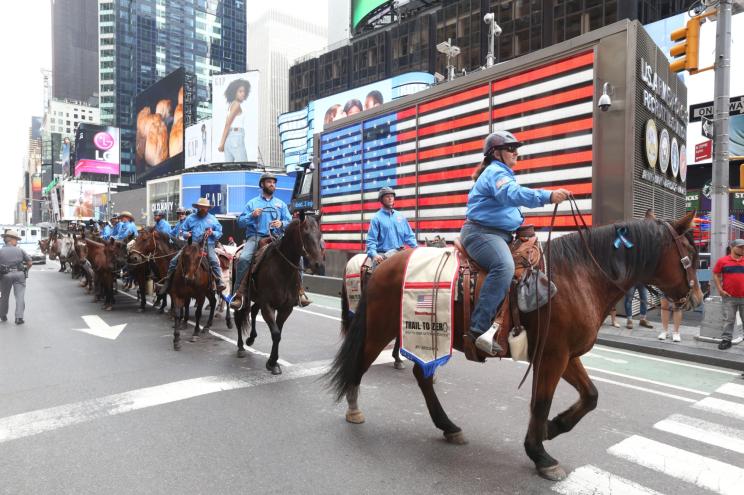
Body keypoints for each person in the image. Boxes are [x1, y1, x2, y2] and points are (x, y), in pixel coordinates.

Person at [461, 130, 571, 355]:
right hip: (482, 234)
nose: (516, 153)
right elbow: (511, 194)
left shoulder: (503, 173)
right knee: (504, 267)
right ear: (496, 153)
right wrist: (547, 196)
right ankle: (477, 329)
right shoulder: (495, 172)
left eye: (516, 149)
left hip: (500, 235)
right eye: (511, 149)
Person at [230, 173, 307, 310]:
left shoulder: (281, 204)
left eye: (274, 182)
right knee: (244, 258)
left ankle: (300, 292)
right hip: (256, 237)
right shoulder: (252, 203)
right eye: (269, 182)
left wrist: (281, 223)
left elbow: (290, 221)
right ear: (262, 184)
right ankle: (238, 294)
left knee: (299, 258)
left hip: (277, 238)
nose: (272, 184)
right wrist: (252, 215)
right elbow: (240, 222)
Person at [159, 198, 226, 295]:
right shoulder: (190, 218)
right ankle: (167, 282)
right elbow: (182, 231)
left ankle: (219, 282)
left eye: (204, 207)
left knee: (213, 261)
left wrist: (212, 232)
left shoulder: (213, 219)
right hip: (192, 245)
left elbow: (220, 233)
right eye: (201, 207)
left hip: (208, 245)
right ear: (198, 207)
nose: (202, 209)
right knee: (174, 260)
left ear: (208, 208)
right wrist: (186, 234)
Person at [366, 186, 418, 269]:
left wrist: (417, 249)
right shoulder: (376, 218)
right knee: (378, 277)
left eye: (392, 196)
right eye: (387, 197)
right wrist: (374, 254)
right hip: (383, 256)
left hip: (399, 254)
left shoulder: (401, 217)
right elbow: (371, 240)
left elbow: (409, 236)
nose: (390, 198)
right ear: (381, 200)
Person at [714, 238, 744, 350]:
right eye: (740, 247)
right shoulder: (722, 261)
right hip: (729, 297)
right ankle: (726, 340)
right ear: (732, 247)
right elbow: (716, 274)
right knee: (728, 320)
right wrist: (720, 290)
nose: (742, 249)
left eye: (743, 247)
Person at [0, 229, 32, 324]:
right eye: (16, 239)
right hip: (19, 274)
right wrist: (25, 270)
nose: (17, 241)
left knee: (4, 297)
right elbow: (30, 262)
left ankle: (3, 315)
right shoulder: (20, 250)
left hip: (5, 276)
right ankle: (19, 318)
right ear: (11, 240)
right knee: (20, 296)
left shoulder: (1, 251)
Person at [217, 78, 251, 162]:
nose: (243, 94)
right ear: (234, 92)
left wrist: (224, 142)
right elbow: (228, 124)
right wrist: (221, 143)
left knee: (230, 170)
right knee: (244, 167)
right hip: (236, 137)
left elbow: (227, 124)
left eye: (244, 91)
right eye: (240, 91)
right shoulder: (236, 105)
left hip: (229, 139)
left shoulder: (231, 105)